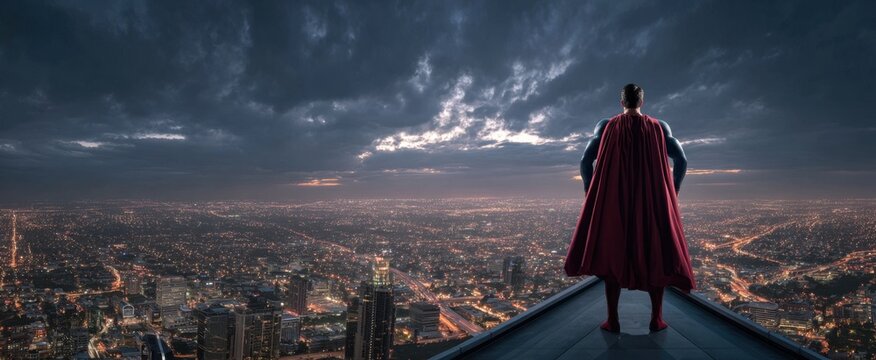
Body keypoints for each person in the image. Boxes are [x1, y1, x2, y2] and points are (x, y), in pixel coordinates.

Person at [563, 83, 696, 333]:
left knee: (614, 252)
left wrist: (591, 191)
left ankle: (612, 320)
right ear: (642, 102)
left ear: (621, 102)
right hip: (652, 198)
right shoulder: (659, 127)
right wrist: (674, 189)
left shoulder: (606, 126)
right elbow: (681, 159)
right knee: (655, 251)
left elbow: (585, 160)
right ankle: (656, 319)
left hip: (614, 198)